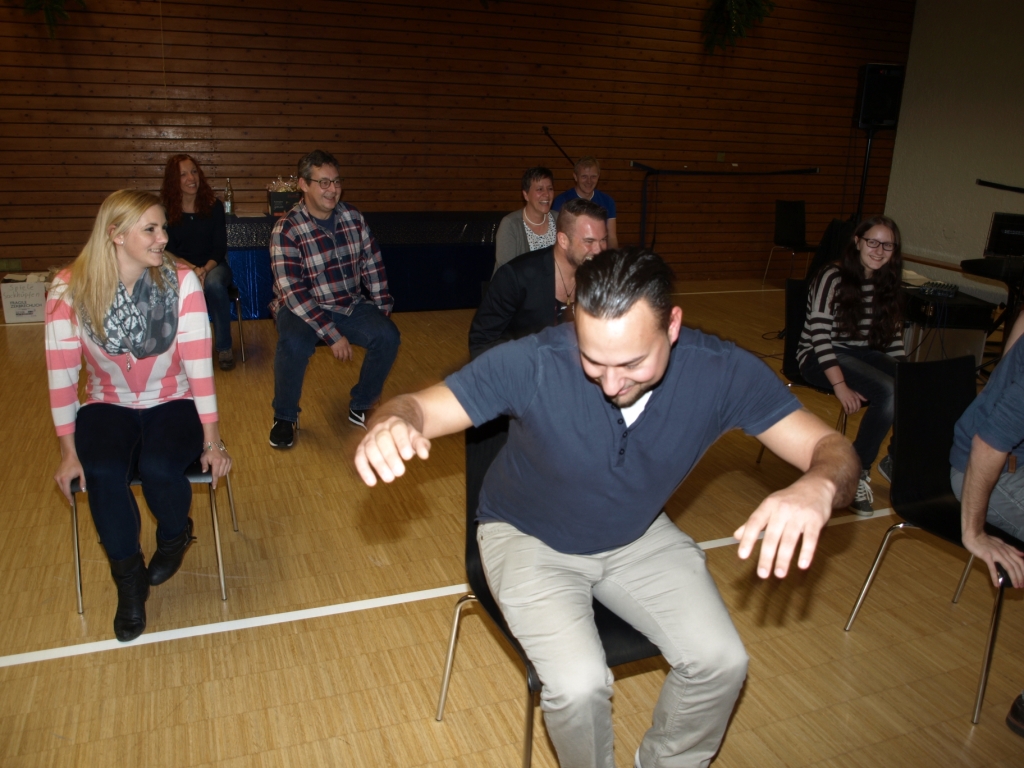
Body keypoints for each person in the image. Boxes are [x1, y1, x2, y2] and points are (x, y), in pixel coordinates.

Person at [355, 248, 858, 768]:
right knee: (579, 687)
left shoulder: (722, 372)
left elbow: (834, 451)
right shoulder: (534, 361)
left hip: (636, 535)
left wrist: (819, 484)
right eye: (593, 360)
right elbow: (418, 406)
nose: (612, 385)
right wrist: (394, 421)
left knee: (721, 662)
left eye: (633, 363)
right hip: (528, 537)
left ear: (673, 327)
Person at [46, 190, 232, 643]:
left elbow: (199, 368)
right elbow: (61, 378)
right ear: (115, 234)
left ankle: (174, 535)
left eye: (162, 228)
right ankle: (129, 584)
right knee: (102, 471)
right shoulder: (68, 289)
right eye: (150, 229)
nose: (162, 238)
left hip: (174, 400)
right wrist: (68, 453)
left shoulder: (182, 281)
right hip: (106, 404)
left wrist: (212, 441)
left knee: (159, 468)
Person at [269, 149, 400, 448]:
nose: (333, 189)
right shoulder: (286, 228)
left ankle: (362, 405)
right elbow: (292, 291)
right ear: (304, 185)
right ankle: (285, 416)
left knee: (388, 336)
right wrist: (331, 334)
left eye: (337, 181)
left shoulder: (353, 217)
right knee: (293, 344)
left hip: (347, 303)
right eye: (324, 182)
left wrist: (382, 311)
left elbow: (372, 264)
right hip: (301, 307)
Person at [796, 215, 905, 515]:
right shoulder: (832, 276)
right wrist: (840, 385)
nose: (879, 251)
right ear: (857, 242)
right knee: (888, 391)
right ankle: (856, 471)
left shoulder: (887, 280)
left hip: (860, 354)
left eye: (888, 245)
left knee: (911, 384)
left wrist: (906, 372)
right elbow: (819, 337)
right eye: (873, 242)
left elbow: (893, 338)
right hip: (819, 356)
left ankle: (895, 459)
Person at [469, 197, 608, 358]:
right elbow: (481, 342)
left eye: (603, 240)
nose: (599, 250)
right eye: (589, 241)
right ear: (563, 240)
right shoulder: (514, 277)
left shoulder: (602, 277)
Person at [160, 154, 236, 371]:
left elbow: (219, 248)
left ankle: (224, 347)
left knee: (214, 283)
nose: (191, 178)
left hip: (213, 265)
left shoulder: (214, 206)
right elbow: (167, 251)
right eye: (183, 174)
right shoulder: (166, 210)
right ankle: (179, 350)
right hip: (182, 267)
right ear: (174, 180)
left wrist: (203, 270)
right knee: (173, 285)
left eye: (193, 172)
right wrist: (192, 270)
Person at [494, 167, 556, 273]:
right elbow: (506, 272)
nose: (546, 194)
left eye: (550, 189)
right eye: (540, 189)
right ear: (526, 195)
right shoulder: (510, 224)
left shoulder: (560, 219)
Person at [552, 156, 619, 248]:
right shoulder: (561, 201)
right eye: (584, 176)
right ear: (575, 177)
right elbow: (558, 236)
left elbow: (611, 237)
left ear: (598, 177)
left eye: (593, 177)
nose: (589, 181)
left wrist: (614, 256)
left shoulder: (608, 201)